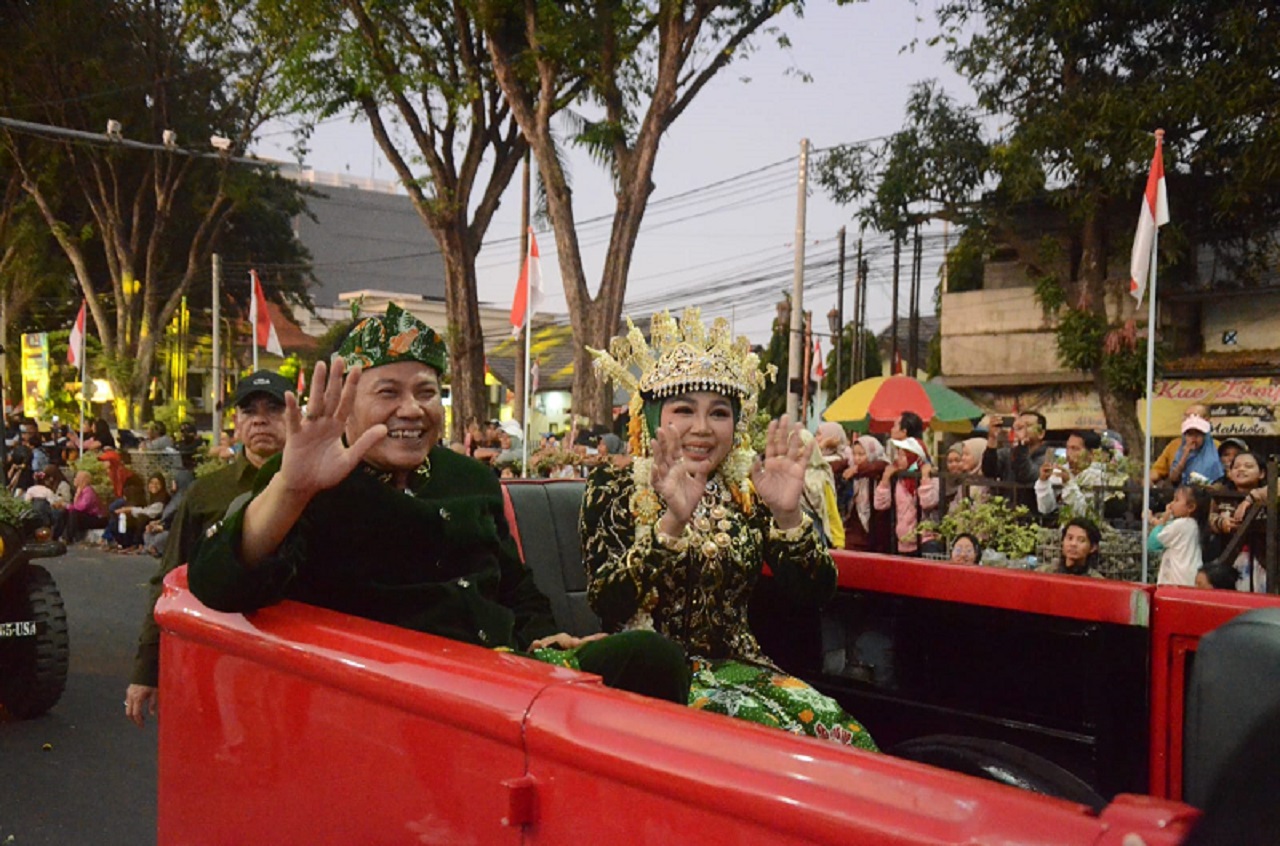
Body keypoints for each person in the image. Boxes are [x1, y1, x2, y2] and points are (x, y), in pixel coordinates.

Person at [185, 305, 688, 715]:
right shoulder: (310, 480)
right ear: (347, 402)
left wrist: (544, 639)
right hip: (397, 702)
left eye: (427, 392)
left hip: (510, 677)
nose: (412, 409)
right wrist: (292, 490)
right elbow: (214, 583)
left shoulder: (468, 477)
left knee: (652, 658)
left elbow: (516, 588)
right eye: (389, 392)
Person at [581, 309, 876, 750]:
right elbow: (606, 600)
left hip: (744, 668)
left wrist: (789, 516)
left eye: (719, 413)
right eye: (684, 410)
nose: (702, 429)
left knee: (842, 737)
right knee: (765, 743)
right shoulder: (614, 487)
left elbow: (814, 593)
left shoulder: (744, 492)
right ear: (653, 417)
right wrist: (672, 523)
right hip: (651, 678)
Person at [124, 369, 292, 726]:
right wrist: (147, 669)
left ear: (297, 416)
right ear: (236, 422)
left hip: (304, 659)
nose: (261, 419)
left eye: (274, 408)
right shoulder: (206, 493)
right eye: (249, 411)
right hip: (221, 657)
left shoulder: (325, 487)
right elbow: (169, 580)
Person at [1207, 451, 1269, 594]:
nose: (1241, 469)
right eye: (1236, 467)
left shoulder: (1269, 494)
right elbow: (1211, 518)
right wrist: (1222, 522)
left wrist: (1251, 498)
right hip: (1230, 561)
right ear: (1229, 473)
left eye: (1248, 466)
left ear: (1262, 473)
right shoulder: (1221, 495)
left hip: (1263, 562)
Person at [874, 436, 940, 556]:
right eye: (898, 455)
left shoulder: (930, 477)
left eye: (903, 455)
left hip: (925, 541)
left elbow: (927, 502)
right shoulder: (898, 479)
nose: (898, 459)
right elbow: (880, 504)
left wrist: (925, 478)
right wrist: (885, 480)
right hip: (903, 542)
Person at [982, 412, 1051, 510]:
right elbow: (989, 470)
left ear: (1041, 433)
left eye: (1028, 425)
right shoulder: (1008, 453)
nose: (1023, 429)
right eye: (1020, 426)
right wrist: (992, 438)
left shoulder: (1047, 458)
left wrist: (1022, 444)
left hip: (1034, 518)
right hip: (1006, 517)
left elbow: (1026, 475)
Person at [1149, 484, 1209, 587]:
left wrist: (1162, 520)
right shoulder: (1193, 524)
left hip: (1177, 580)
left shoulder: (1180, 524)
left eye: (1176, 500)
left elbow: (1153, 543)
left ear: (1191, 507)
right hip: (1189, 577)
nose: (1171, 504)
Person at [797, 429, 844, 548]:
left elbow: (831, 511)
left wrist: (839, 541)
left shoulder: (821, 477)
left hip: (814, 537)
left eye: (800, 446)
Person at [842, 435, 890, 552]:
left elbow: (878, 466)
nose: (857, 458)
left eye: (861, 454)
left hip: (876, 526)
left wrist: (857, 470)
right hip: (856, 525)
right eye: (854, 454)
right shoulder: (851, 470)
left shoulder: (881, 465)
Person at [1149, 402, 1216, 485]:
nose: (1189, 419)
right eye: (1186, 416)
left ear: (1206, 420)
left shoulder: (1216, 447)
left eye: (1193, 416)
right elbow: (1158, 472)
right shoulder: (1174, 445)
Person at [1037, 517, 1104, 578]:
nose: (1073, 544)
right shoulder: (1045, 573)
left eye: (1081, 540)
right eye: (1070, 538)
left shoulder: (1096, 581)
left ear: (1092, 547)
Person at [59, 470, 108, 543]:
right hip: (86, 516)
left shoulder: (88, 491)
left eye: (76, 478)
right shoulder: (80, 490)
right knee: (64, 512)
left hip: (97, 518)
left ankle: (67, 538)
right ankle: (56, 536)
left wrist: (67, 506)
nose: (74, 480)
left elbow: (81, 507)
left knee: (74, 513)